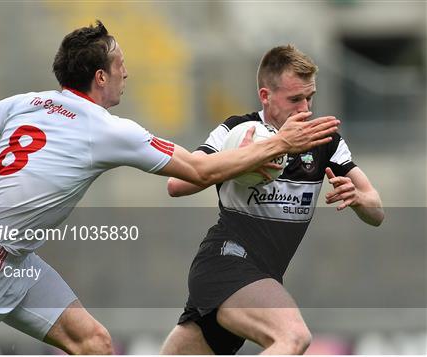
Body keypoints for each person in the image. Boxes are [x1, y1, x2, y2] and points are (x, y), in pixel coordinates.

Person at [0, 22, 339, 354]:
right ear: (100, 76)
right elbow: (198, 171)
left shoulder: (26, 102)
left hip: (13, 261)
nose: (127, 72)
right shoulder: (106, 129)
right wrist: (282, 143)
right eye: (121, 65)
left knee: (94, 345)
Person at [160, 44, 384, 355]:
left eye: (310, 97)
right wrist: (244, 158)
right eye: (295, 99)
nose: (305, 109)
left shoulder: (325, 141)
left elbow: (377, 211)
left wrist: (360, 198)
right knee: (292, 337)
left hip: (258, 281)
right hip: (226, 262)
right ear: (265, 96)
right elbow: (177, 184)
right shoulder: (238, 131)